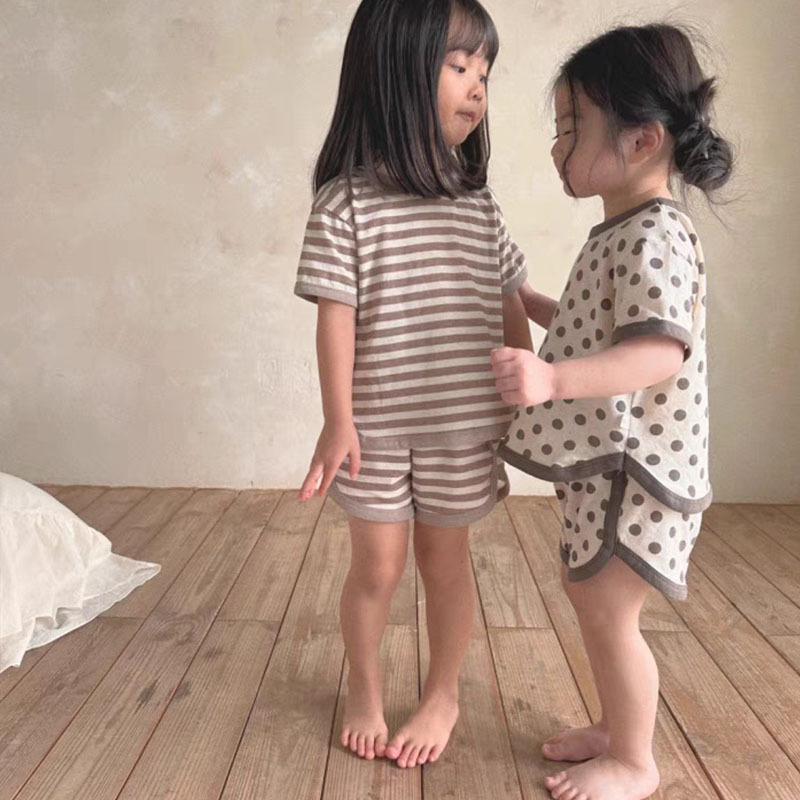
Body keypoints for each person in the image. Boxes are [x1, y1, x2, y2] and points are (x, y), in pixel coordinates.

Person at [492, 23, 733, 800]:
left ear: (641, 140)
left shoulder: (653, 235)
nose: (557, 148)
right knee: (591, 600)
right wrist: (537, 305)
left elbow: (659, 353)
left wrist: (551, 380)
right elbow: (607, 326)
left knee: (608, 613)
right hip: (620, 466)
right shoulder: (629, 230)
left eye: (571, 128)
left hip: (639, 471)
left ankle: (635, 759)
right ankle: (614, 727)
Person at [293, 0, 531, 769]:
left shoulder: (478, 204)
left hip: (461, 426)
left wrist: (528, 392)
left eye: (485, 72)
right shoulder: (346, 204)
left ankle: (442, 692)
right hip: (376, 428)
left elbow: (509, 301)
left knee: (446, 565)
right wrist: (338, 420)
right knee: (378, 568)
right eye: (459, 66)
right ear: (395, 72)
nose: (478, 87)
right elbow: (335, 318)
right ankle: (363, 688)